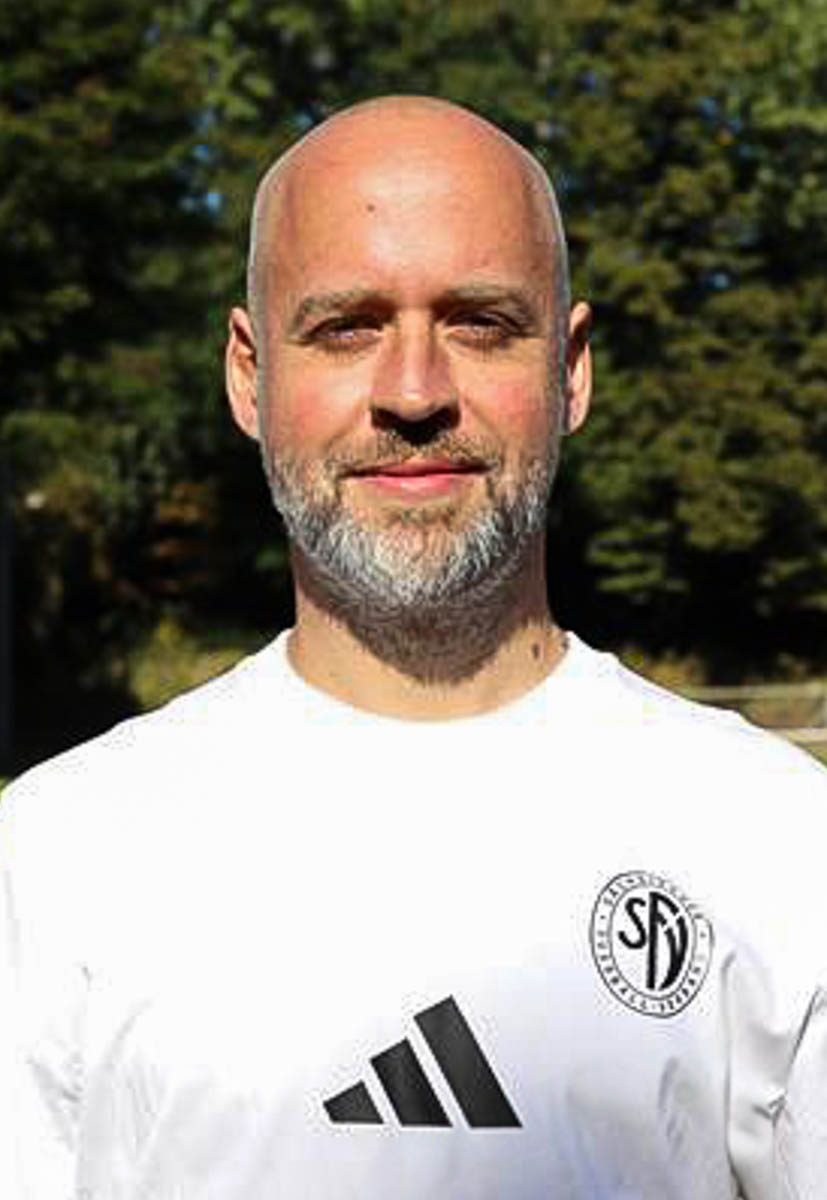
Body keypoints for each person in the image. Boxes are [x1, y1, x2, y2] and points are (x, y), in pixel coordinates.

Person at [1, 95, 826, 1200]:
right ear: (249, 374)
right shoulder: (57, 858)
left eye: (480, 324)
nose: (413, 394)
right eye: (346, 327)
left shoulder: (775, 840)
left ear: (569, 371)